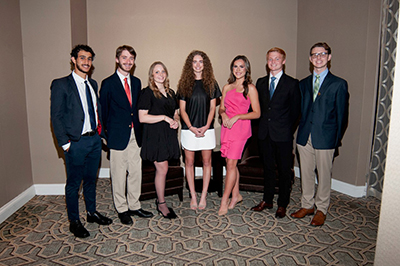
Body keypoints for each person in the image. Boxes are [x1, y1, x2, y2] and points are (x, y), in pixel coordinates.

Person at [50, 44, 112, 238]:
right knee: (73, 184)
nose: (86, 62)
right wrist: (65, 144)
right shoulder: (61, 84)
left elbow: (96, 111)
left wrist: (101, 134)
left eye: (90, 59)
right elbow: (56, 117)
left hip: (94, 141)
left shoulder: (92, 85)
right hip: (75, 143)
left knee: (91, 180)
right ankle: (74, 221)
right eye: (82, 58)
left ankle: (91, 213)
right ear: (74, 60)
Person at [290, 42, 349, 226]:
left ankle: (321, 209)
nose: (318, 57)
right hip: (304, 136)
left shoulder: (339, 84)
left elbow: (342, 116)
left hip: (326, 137)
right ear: (310, 59)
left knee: (323, 175)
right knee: (306, 173)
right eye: (314, 55)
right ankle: (307, 205)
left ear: (329, 57)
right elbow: (299, 111)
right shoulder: (303, 84)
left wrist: (335, 139)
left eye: (322, 54)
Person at [100, 45, 153, 225]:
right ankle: (122, 209)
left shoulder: (137, 82)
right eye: (124, 58)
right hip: (116, 136)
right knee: (118, 173)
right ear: (117, 59)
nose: (128, 62)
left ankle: (134, 205)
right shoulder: (108, 83)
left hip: (135, 135)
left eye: (131, 58)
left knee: (136, 172)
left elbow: (137, 110)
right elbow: (103, 111)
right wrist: (105, 135)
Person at [251, 47, 300, 218]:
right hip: (265, 134)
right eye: (270, 59)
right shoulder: (261, 82)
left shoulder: (292, 83)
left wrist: (286, 128)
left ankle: (282, 204)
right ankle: (268, 200)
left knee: (285, 171)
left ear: (283, 61)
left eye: (277, 59)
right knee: (268, 169)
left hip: (283, 135)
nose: (273, 62)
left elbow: (295, 112)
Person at [177, 50, 221, 210]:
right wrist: (191, 127)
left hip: (207, 130)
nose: (197, 64)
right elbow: (182, 110)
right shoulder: (183, 84)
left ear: (205, 64)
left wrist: (205, 127)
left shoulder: (212, 84)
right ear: (190, 65)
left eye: (200, 61)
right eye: (194, 61)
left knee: (206, 162)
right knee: (188, 163)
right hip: (189, 130)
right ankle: (193, 196)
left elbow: (212, 109)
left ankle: (203, 196)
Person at [218, 55, 260, 216]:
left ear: (247, 68)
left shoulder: (251, 88)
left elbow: (257, 113)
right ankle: (236, 195)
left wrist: (238, 116)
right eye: (235, 66)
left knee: (230, 165)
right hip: (227, 127)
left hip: (241, 129)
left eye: (241, 66)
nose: (238, 69)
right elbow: (222, 108)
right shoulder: (227, 87)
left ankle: (225, 201)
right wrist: (223, 116)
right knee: (230, 163)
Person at [138, 61, 180, 219]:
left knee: (164, 168)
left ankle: (160, 199)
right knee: (162, 169)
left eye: (163, 71)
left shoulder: (171, 93)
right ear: (151, 75)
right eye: (157, 72)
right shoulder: (147, 93)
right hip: (155, 136)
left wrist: (176, 119)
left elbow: (175, 112)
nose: (160, 74)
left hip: (168, 135)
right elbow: (142, 117)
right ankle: (161, 202)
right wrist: (164, 117)